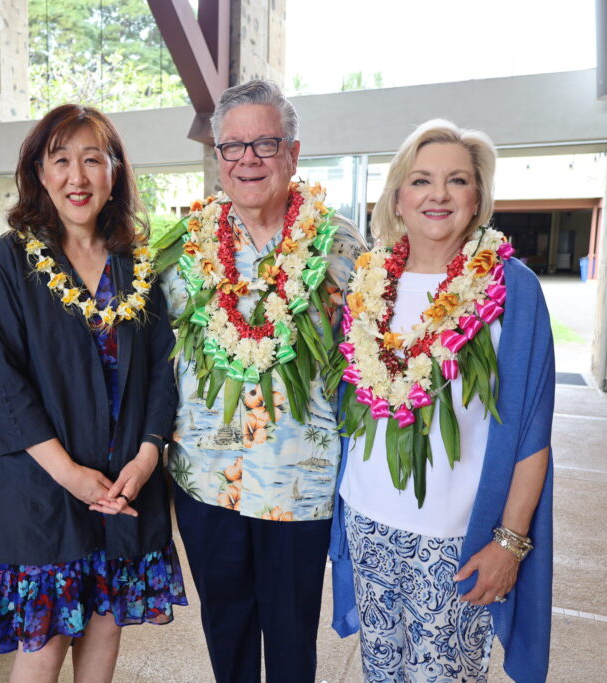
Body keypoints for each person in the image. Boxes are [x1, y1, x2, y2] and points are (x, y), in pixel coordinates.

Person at [156, 79, 366, 683]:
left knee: (293, 640)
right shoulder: (182, 251)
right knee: (227, 633)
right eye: (232, 146)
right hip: (206, 480)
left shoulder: (341, 246)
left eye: (265, 143)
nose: (248, 159)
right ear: (218, 156)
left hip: (301, 484)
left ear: (293, 154)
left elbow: (366, 368)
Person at [330, 119, 555, 682]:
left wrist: (509, 543)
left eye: (457, 180)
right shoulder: (367, 283)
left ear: (477, 198)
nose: (438, 194)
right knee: (381, 672)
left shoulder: (511, 290)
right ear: (398, 198)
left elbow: (532, 433)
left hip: (456, 539)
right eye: (421, 180)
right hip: (366, 520)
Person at [0, 104, 186, 682]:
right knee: (44, 645)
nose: (77, 176)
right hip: (42, 486)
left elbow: (163, 371)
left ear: (114, 171)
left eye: (93, 160)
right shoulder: (12, 258)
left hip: (124, 481)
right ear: (39, 173)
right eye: (61, 160)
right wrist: (69, 475)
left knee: (105, 629)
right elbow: (4, 384)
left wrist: (147, 456)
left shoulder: (137, 263)